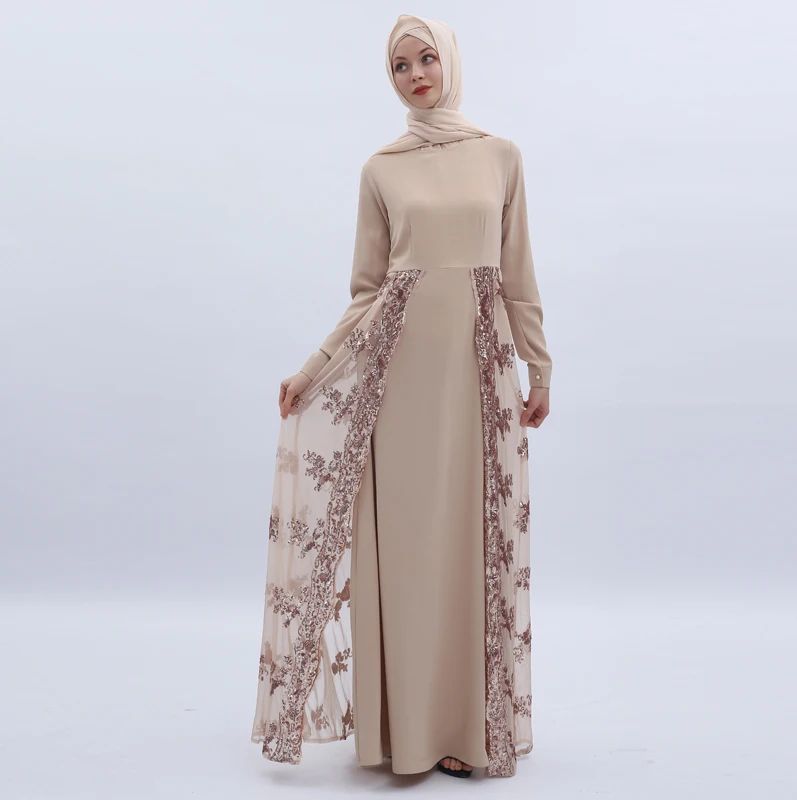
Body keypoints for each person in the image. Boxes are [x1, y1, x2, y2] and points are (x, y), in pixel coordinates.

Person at [251, 13, 552, 780]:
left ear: (449, 61)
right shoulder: (381, 171)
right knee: (409, 552)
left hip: (478, 377)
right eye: (399, 66)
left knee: (469, 547)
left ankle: (464, 730)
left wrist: (540, 368)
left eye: (426, 59)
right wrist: (313, 368)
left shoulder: (501, 156)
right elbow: (367, 292)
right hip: (399, 382)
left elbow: (517, 274)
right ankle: (406, 736)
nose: (416, 75)